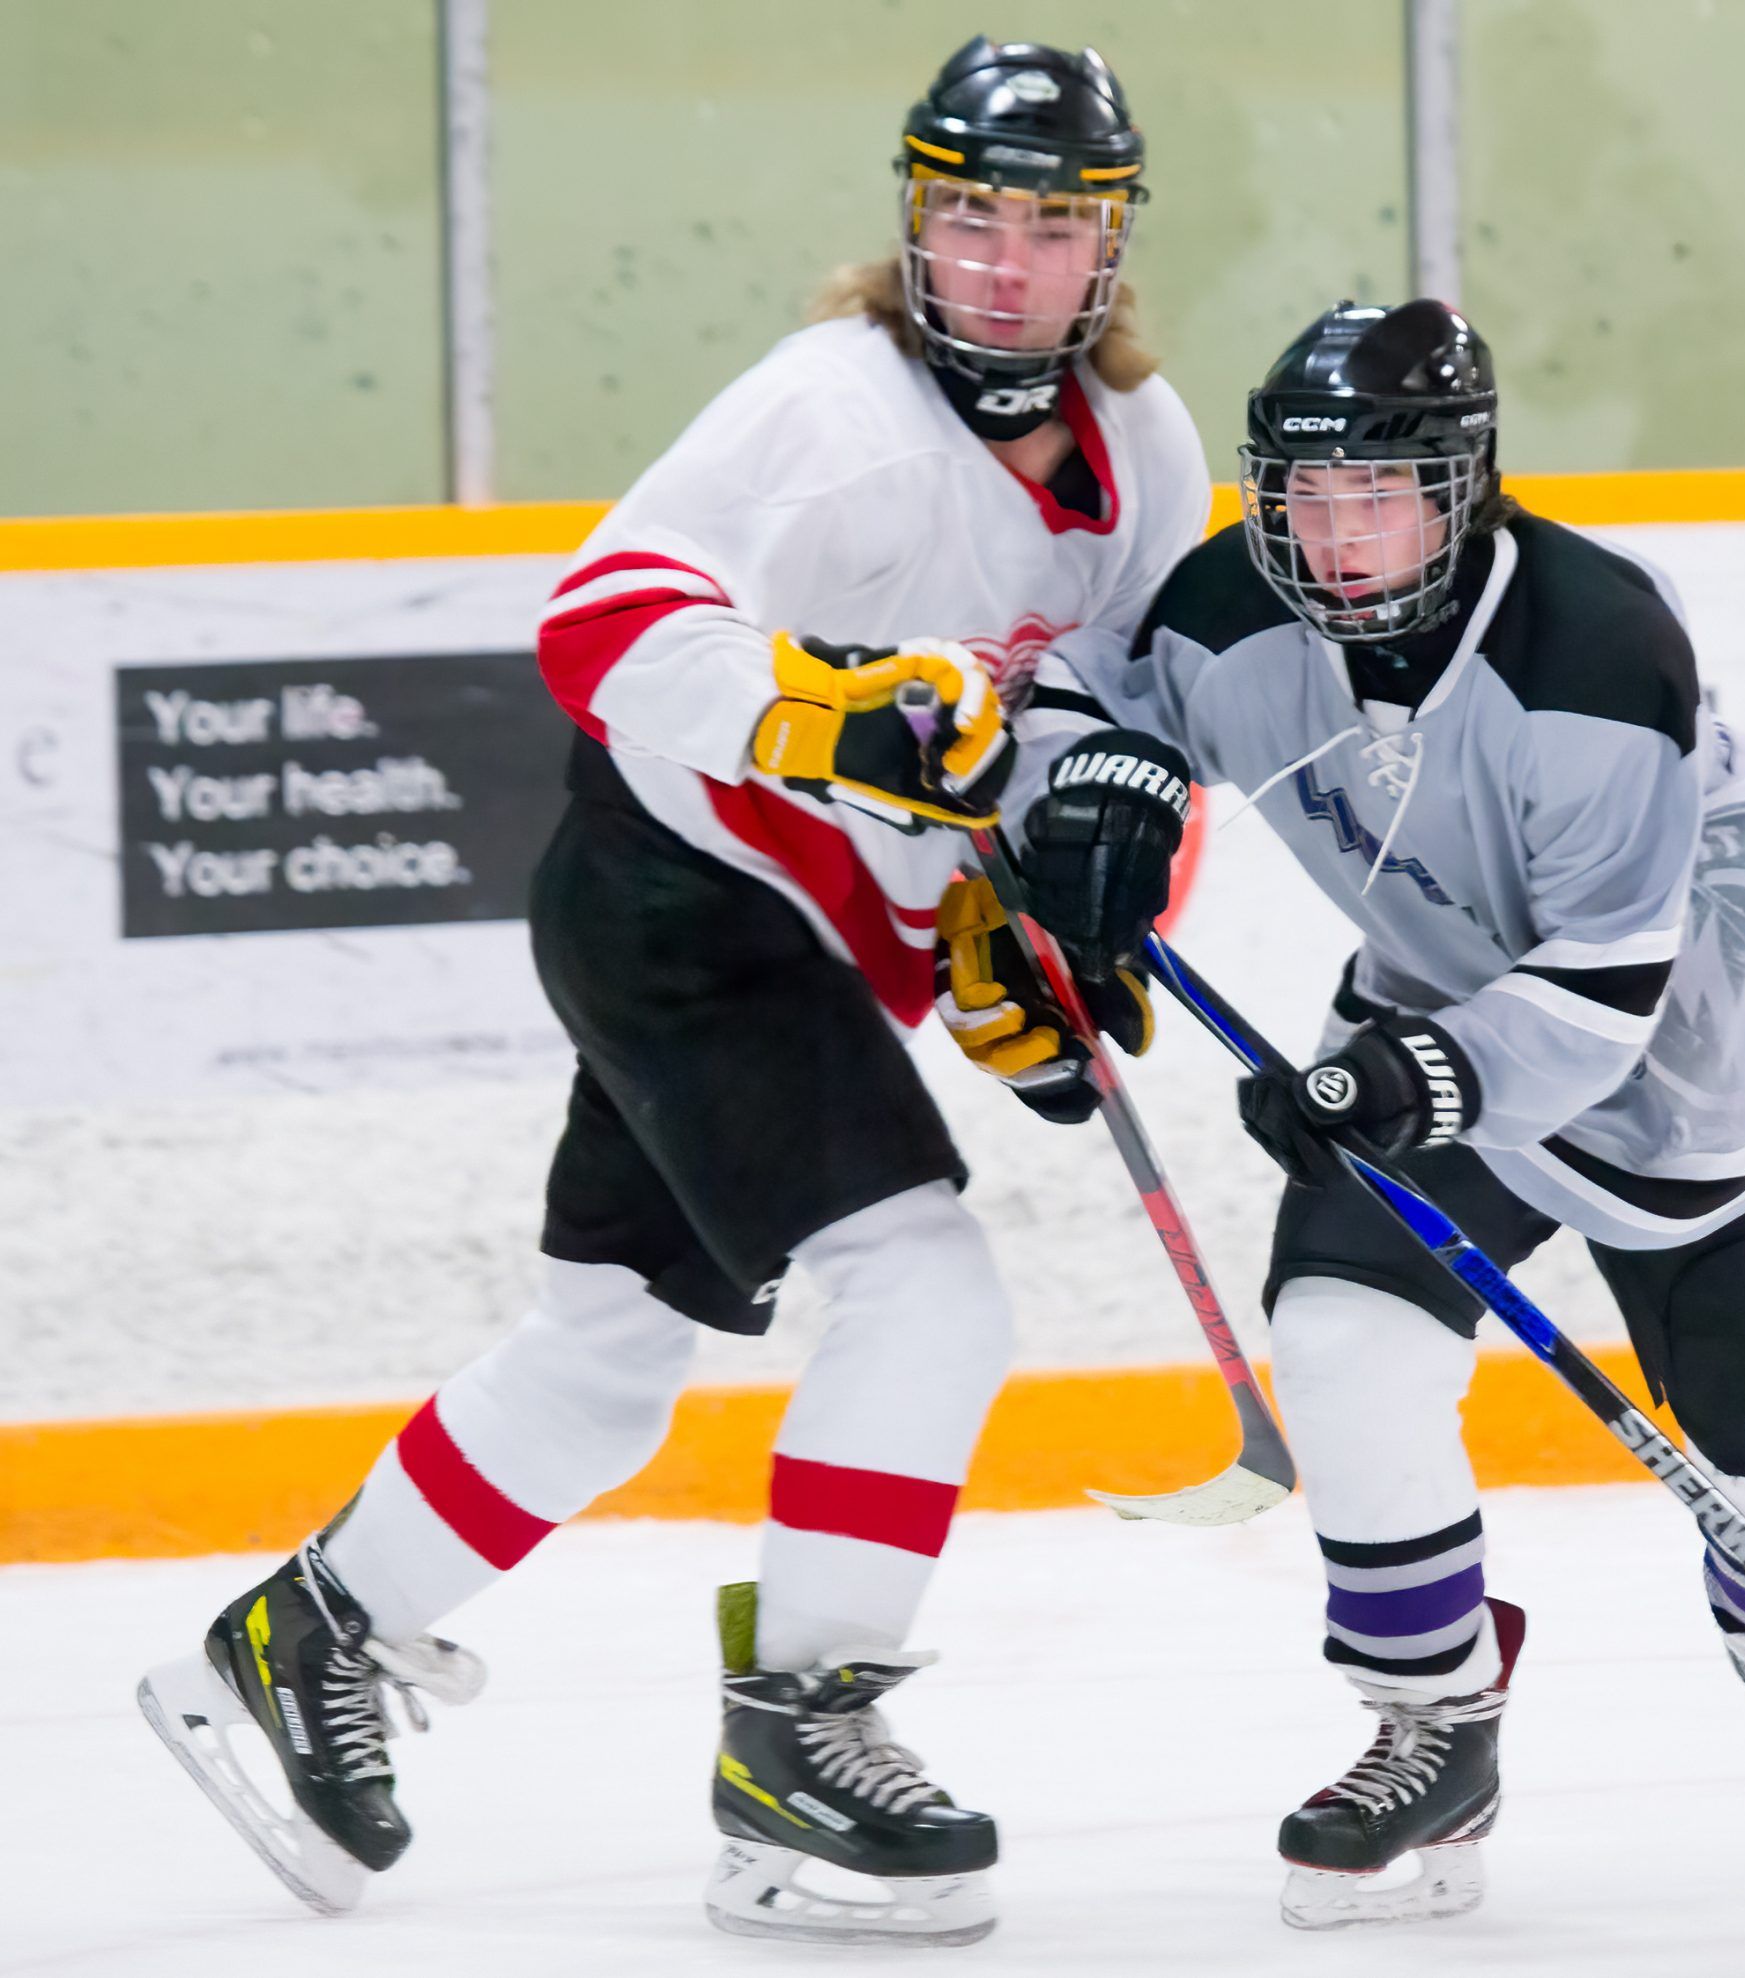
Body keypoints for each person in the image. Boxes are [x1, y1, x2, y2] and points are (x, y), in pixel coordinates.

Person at [136, 37, 1209, 1948]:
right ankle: (799, 1740)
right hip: (681, 902)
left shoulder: (1148, 462)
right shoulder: (830, 410)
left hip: (800, 935)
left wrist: (1036, 939)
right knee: (927, 1288)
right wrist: (817, 709)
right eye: (969, 208)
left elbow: (1107, 737)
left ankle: (301, 1634)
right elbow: (606, 619)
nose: (1004, 258)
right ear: (913, 217)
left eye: (1051, 221)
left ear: (1109, 250)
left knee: (607, 1352)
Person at [982, 299, 1745, 1927]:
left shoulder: (1598, 656)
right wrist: (1090, 789)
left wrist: (1402, 1079)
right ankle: (1437, 1721)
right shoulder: (1230, 607)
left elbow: (1606, 1000)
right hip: (1426, 1017)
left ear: (1464, 486)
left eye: (1379, 496)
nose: (1333, 540)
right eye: (1306, 498)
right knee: (1342, 1342)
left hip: (1696, 1064)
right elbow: (1070, 700)